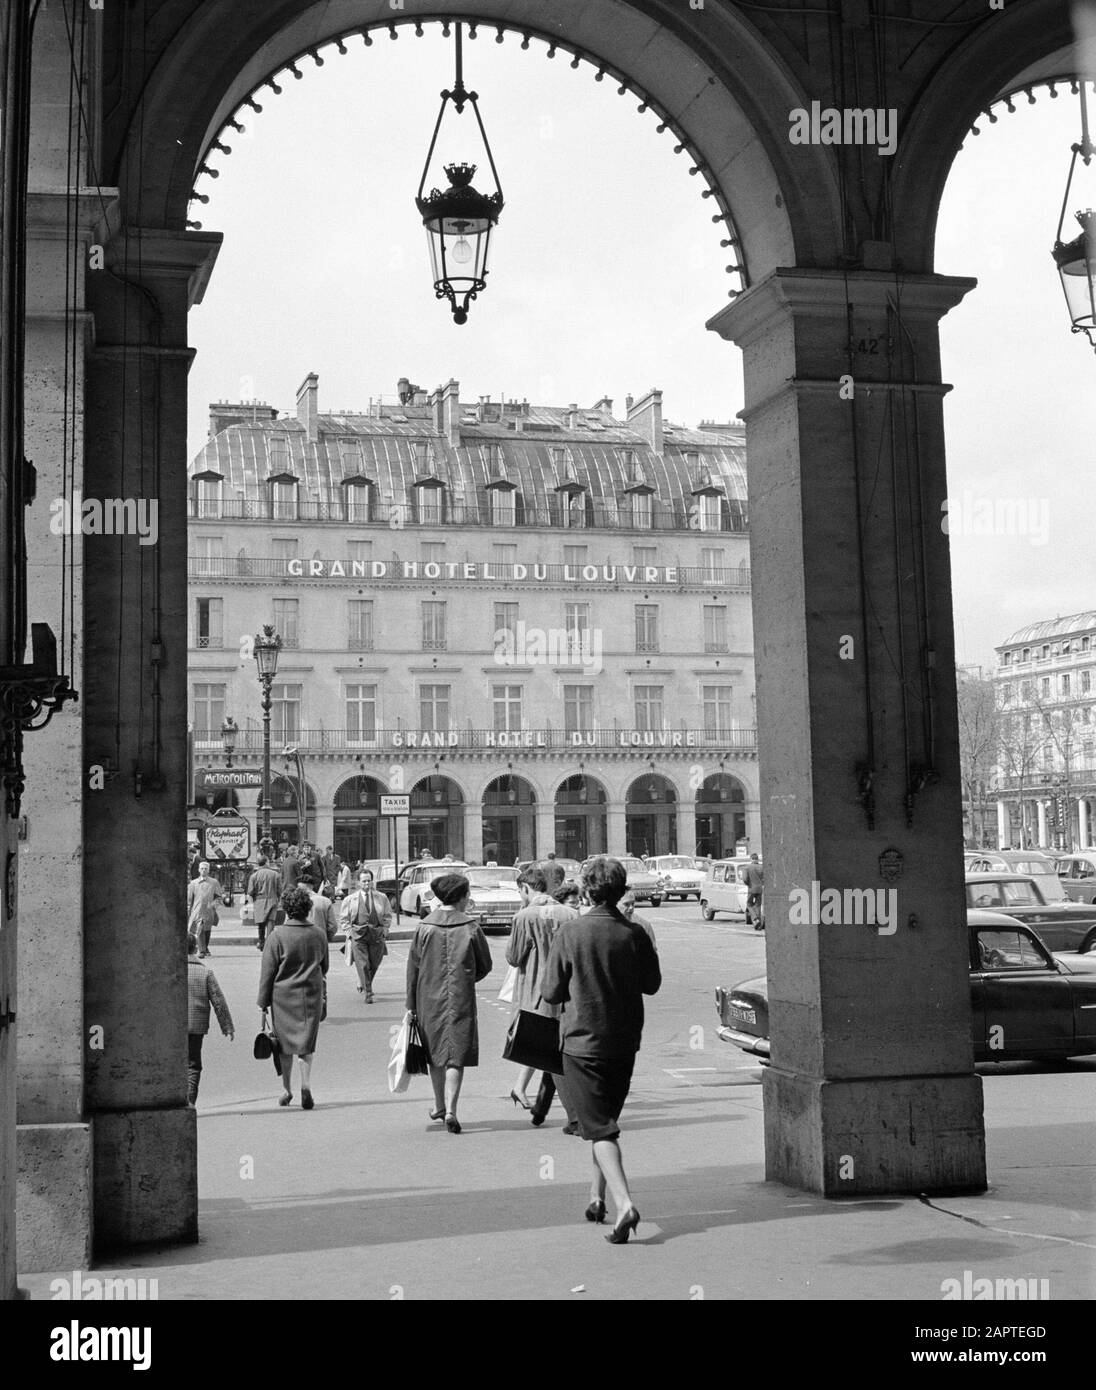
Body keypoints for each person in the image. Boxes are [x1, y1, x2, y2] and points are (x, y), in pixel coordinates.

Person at [542, 855, 661, 1244]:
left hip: (580, 1042)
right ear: (620, 890)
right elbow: (652, 984)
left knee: (598, 1126)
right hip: (624, 1041)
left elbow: (550, 992)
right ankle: (596, 1198)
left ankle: (625, 1203)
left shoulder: (571, 933)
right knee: (603, 1122)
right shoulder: (635, 933)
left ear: (588, 890)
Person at [405, 872, 492, 1134]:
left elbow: (413, 969)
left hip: (428, 999)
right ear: (461, 897)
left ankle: (439, 1105)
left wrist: (411, 1004)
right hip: (460, 997)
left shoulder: (424, 927)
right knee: (457, 1053)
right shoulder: (470, 927)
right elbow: (485, 965)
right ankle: (452, 1109)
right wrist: (466, 978)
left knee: (434, 1054)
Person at [257, 885, 329, 1110]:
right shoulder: (318, 934)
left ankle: (286, 1090)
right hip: (311, 996)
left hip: (283, 998)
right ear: (307, 909)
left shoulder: (277, 936)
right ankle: (306, 1085)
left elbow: (267, 973)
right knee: (306, 1045)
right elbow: (324, 967)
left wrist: (263, 1002)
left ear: (286, 909)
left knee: (284, 1047)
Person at [186, 931, 234, 1105]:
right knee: (193, 1065)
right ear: (195, 948)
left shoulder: (171, 971)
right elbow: (218, 1001)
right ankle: (190, 1101)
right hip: (196, 1026)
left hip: (173, 1026)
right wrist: (227, 1026)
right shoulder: (205, 972)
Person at [339, 869, 393, 1002]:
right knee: (363, 964)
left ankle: (363, 982)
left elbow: (387, 916)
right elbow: (344, 919)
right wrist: (349, 933)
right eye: (364, 881)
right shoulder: (350, 899)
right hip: (358, 936)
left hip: (376, 935)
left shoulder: (381, 897)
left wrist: (385, 930)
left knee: (374, 964)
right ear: (358, 882)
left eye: (369, 880)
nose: (367, 883)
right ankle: (368, 992)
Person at [186, 861, 222, 958]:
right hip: (197, 911)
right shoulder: (193, 883)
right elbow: (189, 900)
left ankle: (205, 948)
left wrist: (213, 906)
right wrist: (189, 911)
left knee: (207, 931)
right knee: (200, 929)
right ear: (198, 870)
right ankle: (202, 951)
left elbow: (219, 898)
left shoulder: (214, 882)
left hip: (209, 911)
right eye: (202, 868)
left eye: (206, 868)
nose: (203, 870)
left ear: (208, 870)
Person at [247, 853, 282, 951]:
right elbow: (280, 890)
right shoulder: (275, 874)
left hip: (259, 901)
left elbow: (250, 891)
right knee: (271, 923)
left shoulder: (254, 876)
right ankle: (269, 944)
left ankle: (261, 942)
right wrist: (279, 899)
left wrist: (251, 902)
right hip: (272, 899)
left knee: (261, 924)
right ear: (267, 862)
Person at [741, 853, 764, 930]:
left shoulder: (747, 867)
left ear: (751, 859)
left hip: (751, 888)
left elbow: (744, 879)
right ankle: (758, 925)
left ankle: (755, 919)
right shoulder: (762, 867)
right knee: (758, 905)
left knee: (749, 904)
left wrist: (748, 884)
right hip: (760, 888)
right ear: (757, 859)